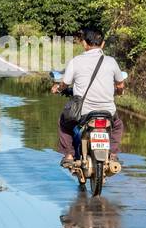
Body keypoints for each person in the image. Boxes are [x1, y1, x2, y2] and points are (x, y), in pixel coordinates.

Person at [51, 27, 126, 170]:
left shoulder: (76, 61)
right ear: (102, 44)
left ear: (84, 43)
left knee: (63, 122)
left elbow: (65, 83)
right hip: (108, 112)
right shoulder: (111, 62)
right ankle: (113, 155)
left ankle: (69, 155)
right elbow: (120, 84)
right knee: (117, 125)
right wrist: (119, 92)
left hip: (84, 113)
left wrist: (58, 88)